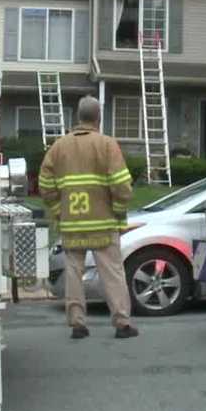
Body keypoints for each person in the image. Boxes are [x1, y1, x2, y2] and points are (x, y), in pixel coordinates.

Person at [38, 96, 139, 339]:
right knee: (113, 274)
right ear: (98, 118)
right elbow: (122, 185)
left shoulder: (59, 147)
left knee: (74, 272)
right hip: (104, 225)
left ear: (78, 117)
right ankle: (122, 323)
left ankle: (77, 324)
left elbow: (44, 184)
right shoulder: (107, 145)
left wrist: (59, 211)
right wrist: (118, 210)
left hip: (72, 224)